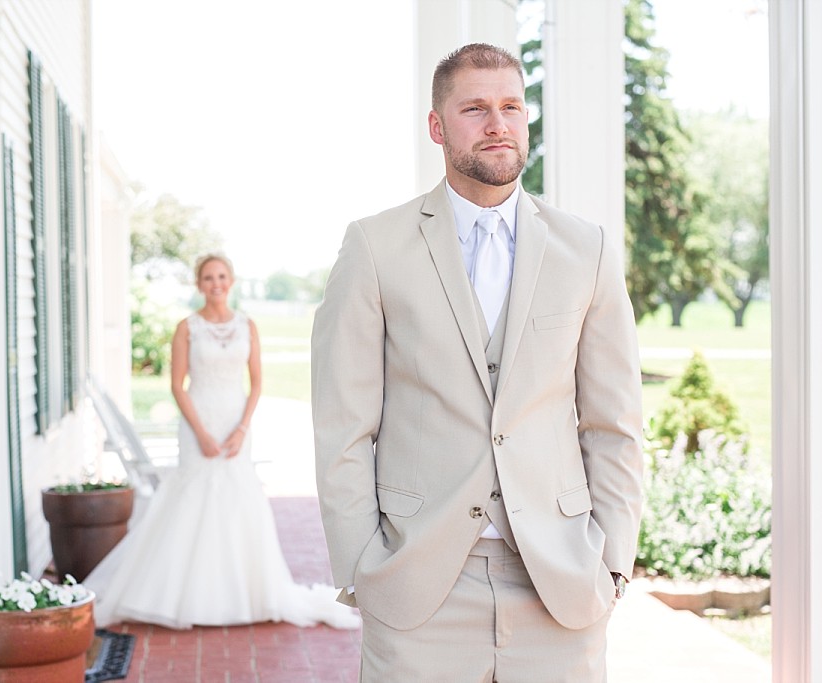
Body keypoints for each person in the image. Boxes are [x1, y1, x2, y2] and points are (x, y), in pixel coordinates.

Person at [311, 43, 643, 680]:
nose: (498, 124)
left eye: (511, 107)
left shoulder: (587, 250)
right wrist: (362, 566)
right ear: (437, 127)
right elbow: (344, 425)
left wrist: (613, 561)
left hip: (560, 585)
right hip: (418, 589)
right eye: (475, 109)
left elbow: (614, 423)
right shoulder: (375, 248)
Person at [85, 253, 359, 631]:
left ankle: (243, 596)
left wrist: (242, 428)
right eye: (209, 278)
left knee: (237, 502)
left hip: (235, 426)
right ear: (199, 285)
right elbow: (176, 385)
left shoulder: (248, 326)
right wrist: (200, 433)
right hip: (199, 424)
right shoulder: (187, 327)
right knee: (192, 503)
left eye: (222, 276)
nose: (216, 283)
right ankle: (180, 596)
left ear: (231, 282)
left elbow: (257, 383)